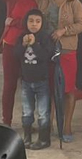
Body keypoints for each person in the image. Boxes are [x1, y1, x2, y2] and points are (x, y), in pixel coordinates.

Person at [27, 0, 82, 142]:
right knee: (49, 89)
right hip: (46, 51)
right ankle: (49, 123)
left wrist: (64, 31)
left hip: (67, 51)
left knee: (68, 90)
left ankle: (66, 125)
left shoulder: (74, 3)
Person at [16, 9, 56, 150]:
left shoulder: (45, 38)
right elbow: (16, 54)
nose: (34, 24)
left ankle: (44, 139)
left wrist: (34, 44)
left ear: (42, 23)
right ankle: (27, 137)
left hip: (42, 81)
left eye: (38, 21)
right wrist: (23, 45)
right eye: (31, 21)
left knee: (43, 113)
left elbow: (45, 56)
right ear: (26, 22)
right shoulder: (22, 36)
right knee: (27, 111)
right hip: (26, 82)